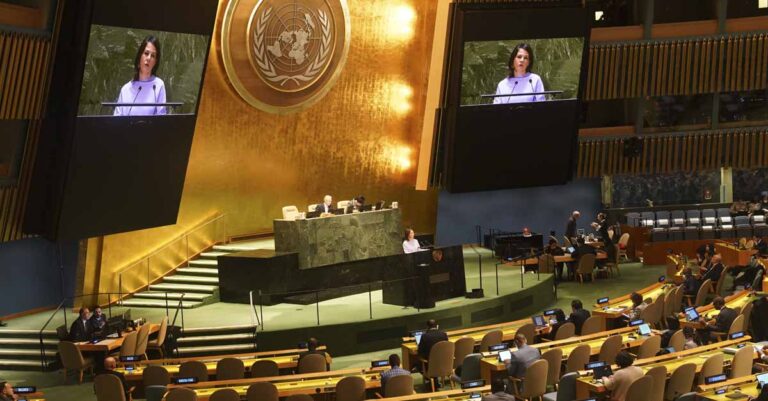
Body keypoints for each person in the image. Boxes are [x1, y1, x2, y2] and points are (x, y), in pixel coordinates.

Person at [114, 36, 167, 116]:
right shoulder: (126, 90)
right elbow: (116, 121)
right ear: (140, 56)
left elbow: (161, 119)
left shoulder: (158, 85)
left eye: (152, 56)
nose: (148, 58)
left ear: (155, 62)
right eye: (146, 53)